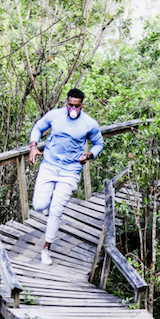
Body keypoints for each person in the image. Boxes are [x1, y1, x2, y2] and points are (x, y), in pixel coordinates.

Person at [28, 88, 104, 265]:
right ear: (66, 103)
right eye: (70, 105)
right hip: (49, 165)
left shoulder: (89, 123)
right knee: (39, 206)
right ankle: (50, 201)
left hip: (70, 171)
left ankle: (46, 249)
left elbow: (99, 143)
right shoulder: (55, 115)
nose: (73, 109)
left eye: (76, 106)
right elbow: (38, 127)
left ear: (81, 105)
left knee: (56, 211)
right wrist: (33, 146)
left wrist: (90, 154)